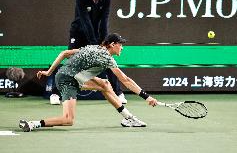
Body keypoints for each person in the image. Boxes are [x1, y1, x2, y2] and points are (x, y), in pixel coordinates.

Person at [19, 33, 157, 132]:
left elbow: (64, 53)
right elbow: (126, 81)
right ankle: (34, 124)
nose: (122, 47)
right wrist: (147, 97)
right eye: (120, 45)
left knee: (105, 84)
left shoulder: (93, 47)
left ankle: (128, 118)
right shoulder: (107, 59)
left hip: (67, 75)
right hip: (68, 81)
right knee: (68, 120)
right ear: (112, 45)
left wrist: (49, 72)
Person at [68, 0, 127, 103]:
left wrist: (104, 41)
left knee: (107, 59)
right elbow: (85, 22)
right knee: (71, 60)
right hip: (78, 32)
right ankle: (56, 93)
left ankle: (118, 93)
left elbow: (104, 21)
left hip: (96, 32)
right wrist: (94, 44)